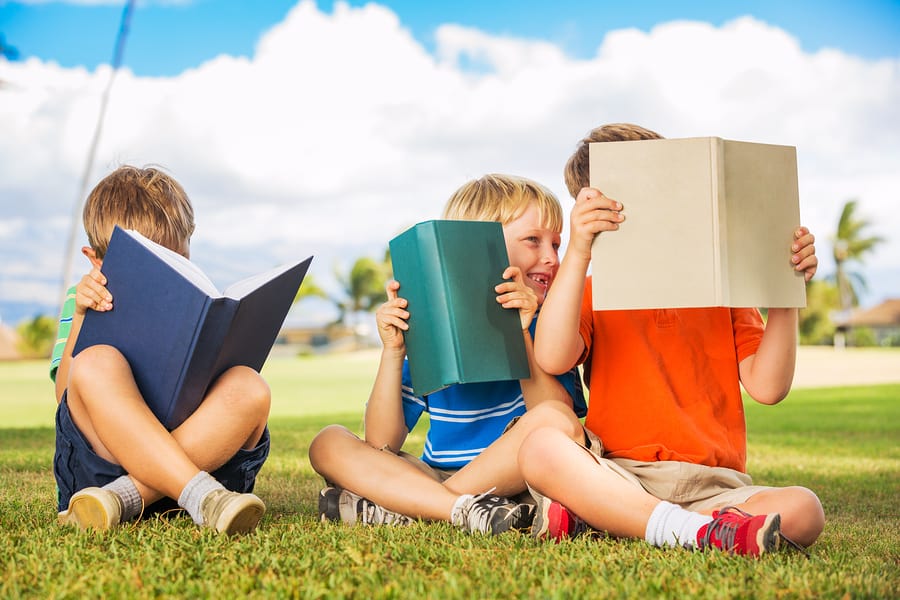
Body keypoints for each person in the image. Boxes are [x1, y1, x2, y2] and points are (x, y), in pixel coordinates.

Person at [519, 123, 826, 556]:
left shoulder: (724, 290)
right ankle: (690, 531)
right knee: (541, 447)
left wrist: (785, 289)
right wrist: (579, 250)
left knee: (804, 508)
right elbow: (552, 356)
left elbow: (768, 387)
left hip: (716, 489)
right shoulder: (591, 288)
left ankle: (613, 519)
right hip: (621, 474)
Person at [308, 174, 587, 535]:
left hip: (518, 480)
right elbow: (381, 442)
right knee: (327, 442)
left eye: (556, 244)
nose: (550, 258)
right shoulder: (433, 331)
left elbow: (559, 419)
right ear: (475, 248)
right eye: (533, 240)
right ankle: (457, 508)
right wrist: (394, 353)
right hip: (437, 475)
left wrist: (521, 336)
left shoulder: (548, 325)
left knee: (555, 419)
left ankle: (413, 506)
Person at [50, 165, 271, 535]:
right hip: (104, 469)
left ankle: (127, 498)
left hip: (196, 465)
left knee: (250, 385)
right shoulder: (84, 299)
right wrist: (81, 318)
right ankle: (202, 496)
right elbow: (65, 399)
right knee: (94, 364)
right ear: (96, 259)